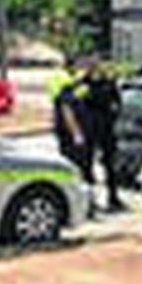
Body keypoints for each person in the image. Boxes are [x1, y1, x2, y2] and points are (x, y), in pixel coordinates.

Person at [81, 59, 125, 213]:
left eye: (97, 67)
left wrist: (113, 115)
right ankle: (89, 202)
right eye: (91, 67)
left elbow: (118, 103)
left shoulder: (109, 83)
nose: (94, 70)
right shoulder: (82, 84)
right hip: (89, 131)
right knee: (86, 166)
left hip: (107, 130)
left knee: (110, 165)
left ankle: (113, 198)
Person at [52, 60, 93, 198]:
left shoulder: (69, 82)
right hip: (70, 136)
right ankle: (77, 198)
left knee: (77, 167)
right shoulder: (65, 83)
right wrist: (77, 134)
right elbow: (67, 110)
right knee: (76, 167)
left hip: (67, 134)